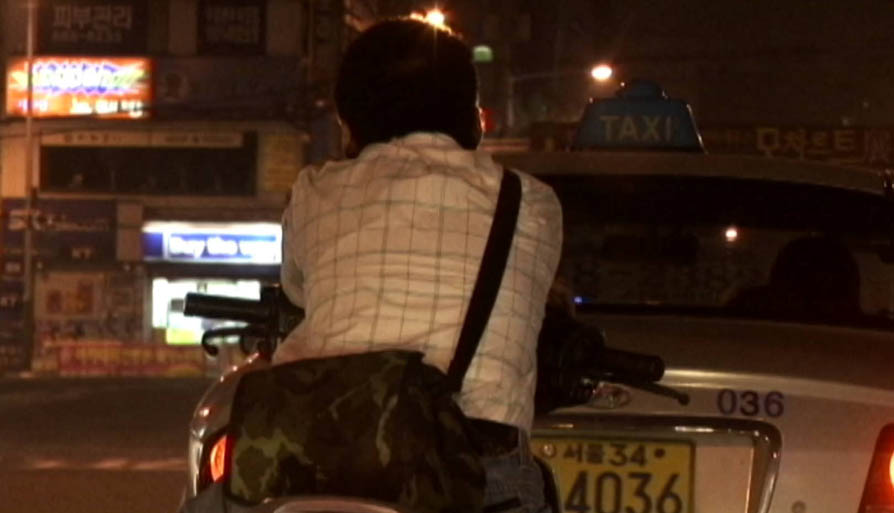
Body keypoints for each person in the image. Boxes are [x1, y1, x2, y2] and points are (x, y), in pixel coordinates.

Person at [274, 17, 563, 513]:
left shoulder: (314, 192)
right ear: (473, 118)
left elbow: (296, 292)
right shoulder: (531, 204)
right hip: (480, 473)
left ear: (349, 124)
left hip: (325, 463)